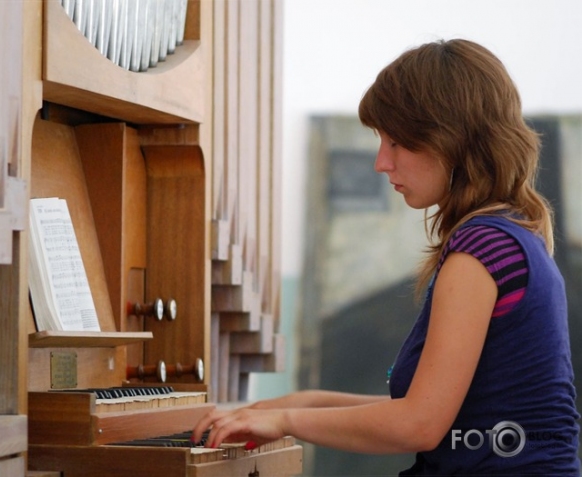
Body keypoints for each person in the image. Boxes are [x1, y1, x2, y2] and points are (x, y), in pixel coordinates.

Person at [191, 38, 581, 475]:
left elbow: (419, 424)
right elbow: (440, 410)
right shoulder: (511, 236)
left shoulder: (481, 252)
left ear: (450, 139)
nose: (381, 162)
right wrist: (300, 404)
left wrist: (286, 420)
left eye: (396, 142)